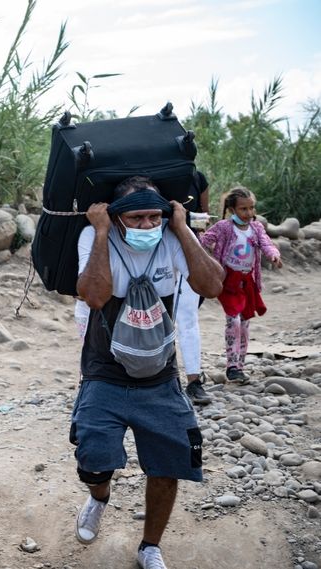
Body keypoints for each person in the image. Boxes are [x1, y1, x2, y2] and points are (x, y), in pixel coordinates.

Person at [73, 176, 224, 569]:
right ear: (117, 216)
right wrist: (102, 232)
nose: (147, 225)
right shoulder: (96, 237)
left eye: (154, 217)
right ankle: (99, 497)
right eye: (136, 218)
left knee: (171, 463)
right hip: (104, 371)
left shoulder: (171, 237)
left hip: (159, 375)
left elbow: (212, 285)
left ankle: (149, 547)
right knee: (93, 459)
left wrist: (182, 228)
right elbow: (94, 296)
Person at [199, 186, 282, 383]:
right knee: (233, 321)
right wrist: (196, 232)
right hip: (229, 281)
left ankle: (240, 367)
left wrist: (273, 255)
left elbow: (266, 243)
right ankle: (232, 366)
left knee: (244, 323)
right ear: (232, 210)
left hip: (247, 282)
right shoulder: (224, 227)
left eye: (251, 208)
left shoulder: (256, 228)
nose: (249, 213)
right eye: (243, 209)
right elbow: (203, 242)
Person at [177, 169, 212, 404]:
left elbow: (202, 218)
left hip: (188, 251)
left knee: (188, 318)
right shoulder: (149, 172)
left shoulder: (197, 178)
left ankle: (193, 380)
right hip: (153, 252)